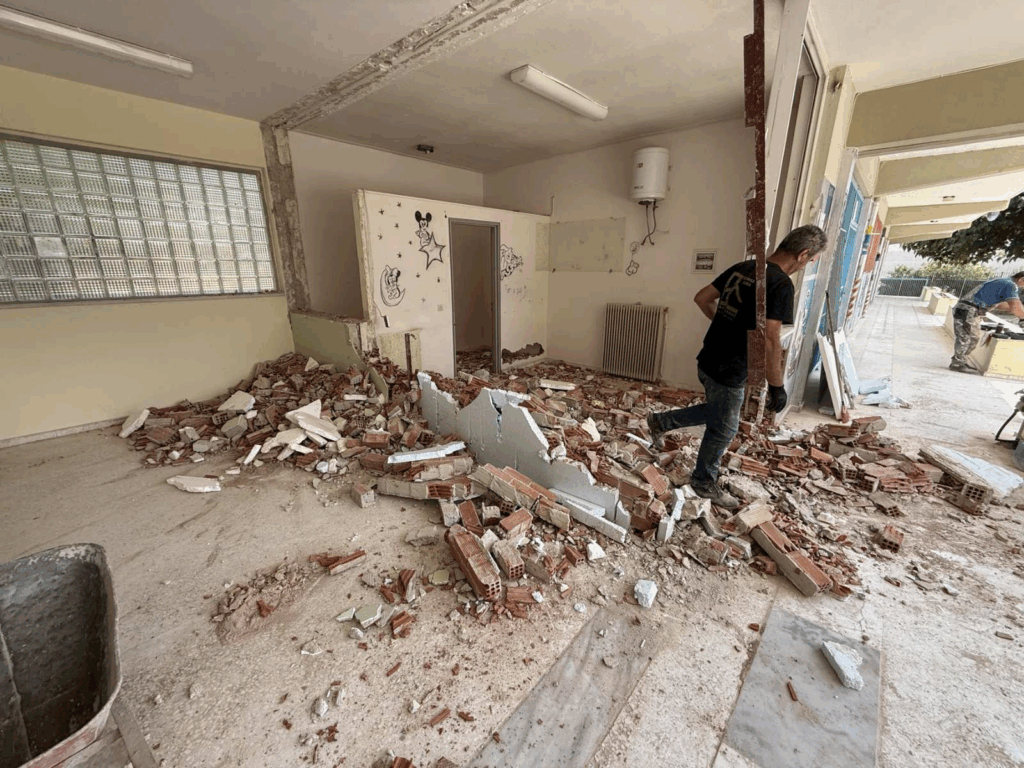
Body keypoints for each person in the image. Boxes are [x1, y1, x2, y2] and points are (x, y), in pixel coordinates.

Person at [646, 225, 828, 509]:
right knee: (724, 429)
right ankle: (703, 482)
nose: (808, 266)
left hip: (709, 357)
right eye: (812, 261)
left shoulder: (744, 267)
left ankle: (661, 422)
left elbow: (701, 298)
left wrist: (723, 324)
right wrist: (777, 386)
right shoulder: (780, 284)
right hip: (730, 367)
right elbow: (770, 339)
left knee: (720, 411)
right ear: (803, 255)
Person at [949, 273, 1024, 373]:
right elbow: (1015, 305)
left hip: (967, 309)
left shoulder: (1003, 281)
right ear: (1021, 279)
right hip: (968, 310)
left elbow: (1003, 305)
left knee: (970, 337)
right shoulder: (1011, 285)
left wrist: (1019, 309)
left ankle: (960, 361)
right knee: (969, 338)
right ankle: (957, 364)